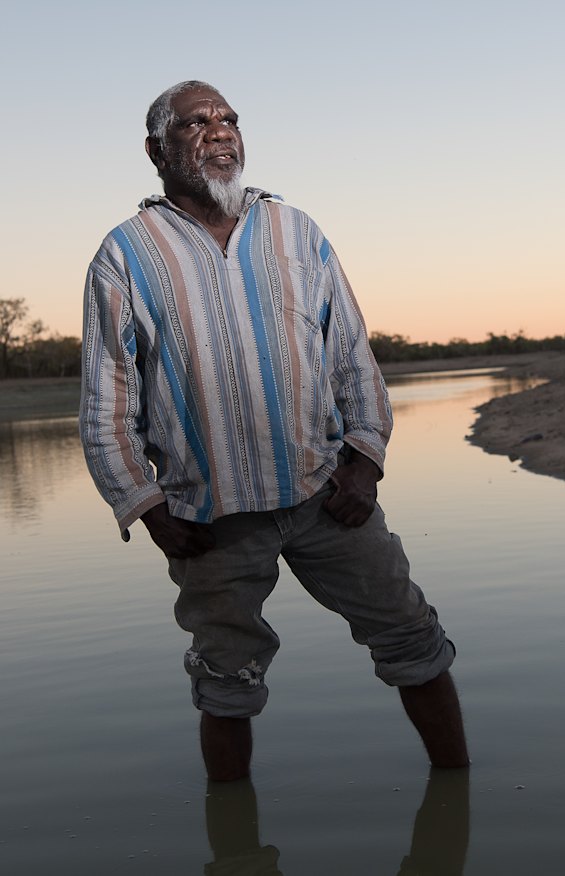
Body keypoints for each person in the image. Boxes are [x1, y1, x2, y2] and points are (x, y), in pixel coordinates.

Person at [80, 80, 469, 781]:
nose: (220, 131)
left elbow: (352, 356)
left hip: (328, 497)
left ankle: (460, 799)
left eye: (228, 118)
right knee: (225, 684)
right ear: (156, 149)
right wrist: (147, 510)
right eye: (196, 123)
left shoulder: (297, 231)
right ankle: (236, 849)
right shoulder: (125, 253)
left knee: (414, 638)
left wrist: (365, 463)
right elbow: (106, 402)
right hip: (209, 518)